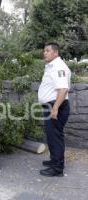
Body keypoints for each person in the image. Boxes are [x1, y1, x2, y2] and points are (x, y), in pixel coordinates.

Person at [38, 42, 71, 177]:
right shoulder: (52, 66)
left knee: (56, 137)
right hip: (51, 105)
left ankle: (57, 169)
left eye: (47, 50)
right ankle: (54, 161)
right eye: (44, 50)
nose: (44, 53)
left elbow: (63, 89)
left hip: (56, 106)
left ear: (56, 52)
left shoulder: (59, 67)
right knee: (52, 136)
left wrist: (55, 108)